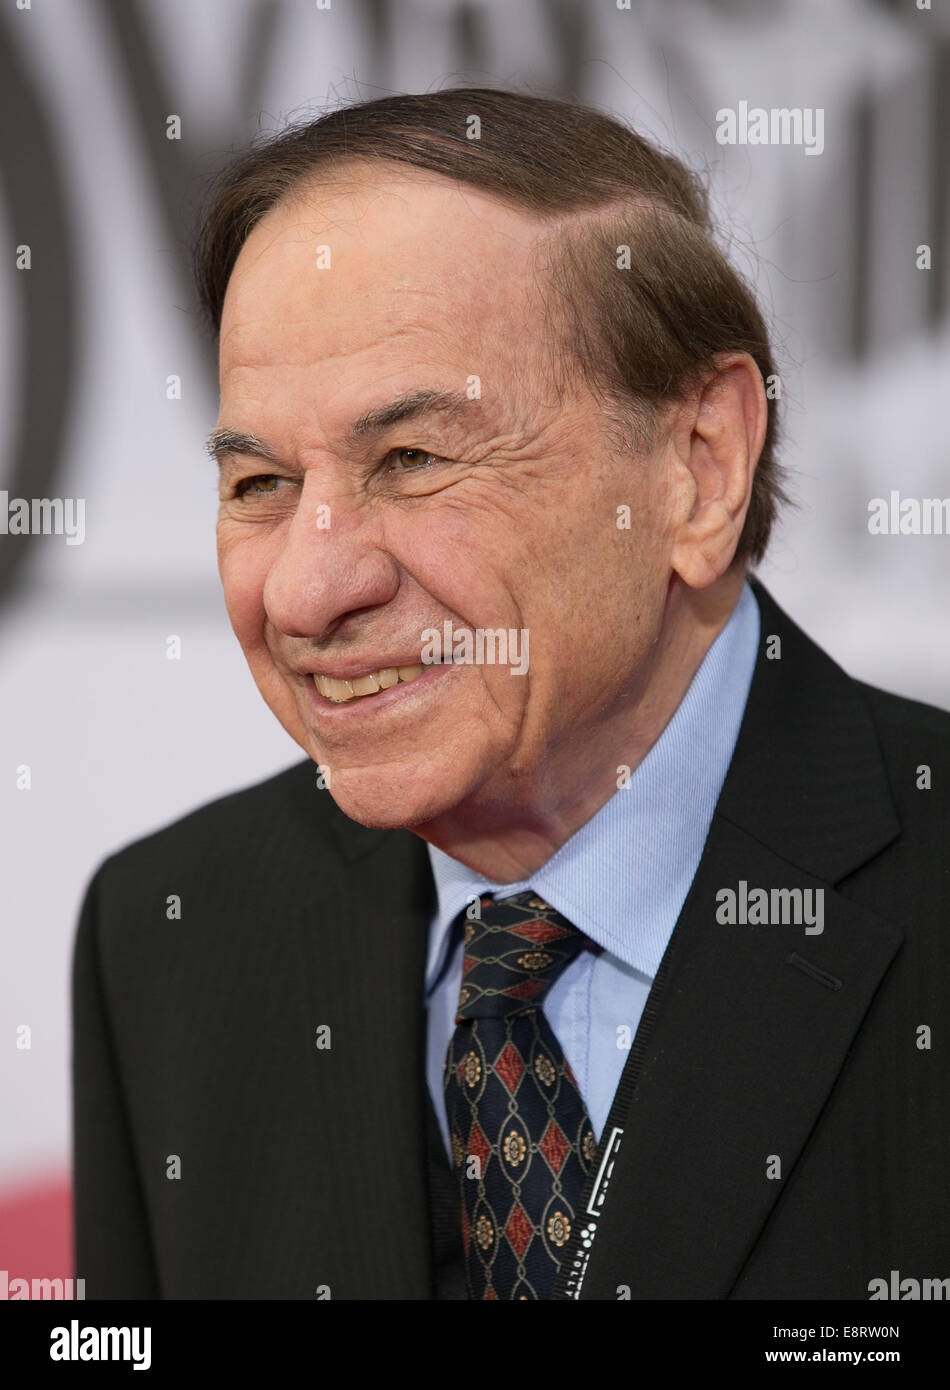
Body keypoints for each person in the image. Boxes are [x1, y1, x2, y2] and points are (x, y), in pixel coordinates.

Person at [72, 88, 950, 1300]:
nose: (309, 586)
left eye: (414, 460)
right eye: (261, 482)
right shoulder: (169, 935)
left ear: (698, 470)